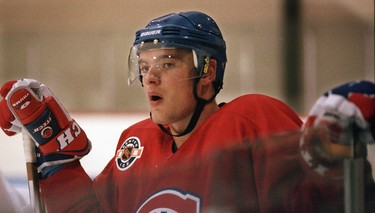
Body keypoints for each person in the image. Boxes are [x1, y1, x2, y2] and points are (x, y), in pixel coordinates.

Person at [0, 11, 374, 212]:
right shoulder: (136, 145)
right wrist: (57, 154)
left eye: (166, 64)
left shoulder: (253, 119)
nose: (150, 78)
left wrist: (336, 160)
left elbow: (314, 201)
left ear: (207, 72)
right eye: (144, 67)